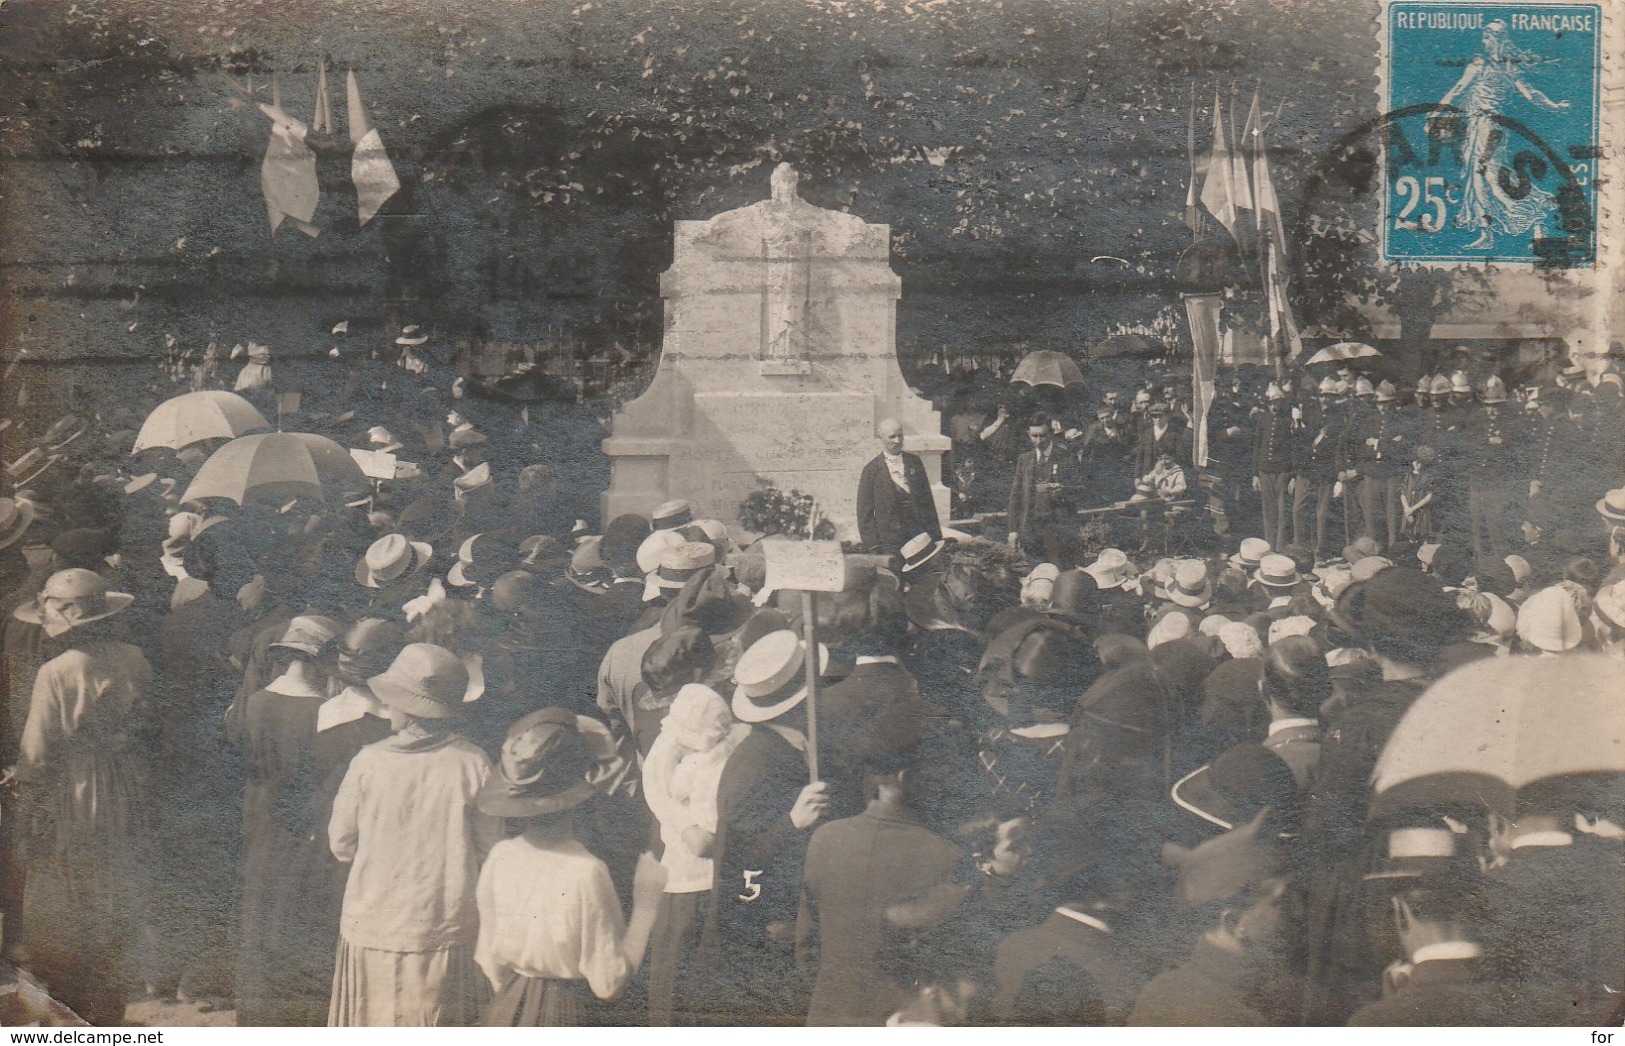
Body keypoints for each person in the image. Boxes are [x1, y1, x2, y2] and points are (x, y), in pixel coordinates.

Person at [327, 643, 503, 1027]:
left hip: (375, 921)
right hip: (445, 922)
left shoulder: (369, 763)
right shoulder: (473, 763)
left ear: (404, 707)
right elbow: (491, 848)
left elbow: (340, 844)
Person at [473, 707, 665, 1025]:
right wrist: (645, 909)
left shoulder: (501, 856)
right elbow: (608, 983)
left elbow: (489, 959)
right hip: (566, 1013)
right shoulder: (585, 871)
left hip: (508, 1006)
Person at [795, 705, 963, 1026]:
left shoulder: (825, 839)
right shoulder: (945, 855)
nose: (946, 782)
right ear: (906, 777)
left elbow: (805, 949)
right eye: (938, 771)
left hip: (828, 1016)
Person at [641, 683, 748, 1026]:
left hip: (701, 881)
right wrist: (685, 826)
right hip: (685, 880)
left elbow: (701, 840)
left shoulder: (714, 759)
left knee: (690, 989)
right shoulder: (679, 746)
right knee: (677, 985)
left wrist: (684, 828)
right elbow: (656, 784)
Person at [856, 418, 941, 558]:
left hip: (919, 537)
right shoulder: (871, 470)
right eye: (892, 437)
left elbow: (928, 503)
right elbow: (864, 514)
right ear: (880, 438)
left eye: (900, 435)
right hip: (889, 542)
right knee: (895, 579)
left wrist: (936, 537)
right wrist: (873, 547)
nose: (897, 441)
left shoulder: (915, 462)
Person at [1008, 413, 1080, 563]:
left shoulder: (1066, 457)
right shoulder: (1024, 459)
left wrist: (1064, 490)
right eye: (1034, 436)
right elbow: (1016, 496)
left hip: (1058, 533)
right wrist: (1013, 530)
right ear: (1028, 434)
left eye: (1043, 436)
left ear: (1052, 433)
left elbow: (1081, 489)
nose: (1039, 441)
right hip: (1030, 532)